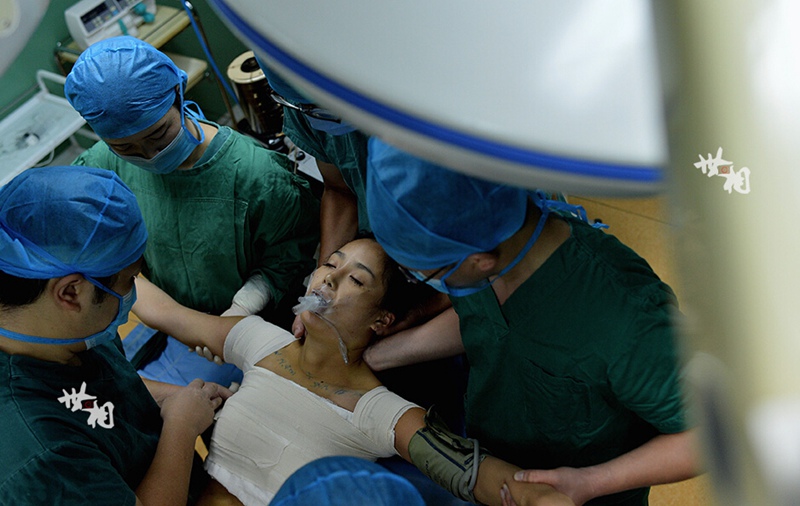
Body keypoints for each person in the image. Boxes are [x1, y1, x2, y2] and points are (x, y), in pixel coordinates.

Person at [364, 138, 700, 506]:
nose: (425, 282)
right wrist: (386, 353)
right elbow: (487, 324)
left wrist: (589, 483)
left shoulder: (628, 318)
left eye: (424, 273)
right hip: (497, 463)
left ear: (479, 260)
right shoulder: (491, 243)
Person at [132, 237, 574, 506]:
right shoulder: (259, 340)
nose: (329, 279)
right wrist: (103, 261)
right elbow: (164, 311)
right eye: (331, 264)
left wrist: (534, 494)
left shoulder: (376, 412)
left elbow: (475, 474)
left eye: (356, 280)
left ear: (382, 320)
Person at [64, 36, 320, 387]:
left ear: (178, 94)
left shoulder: (256, 174)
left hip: (250, 321)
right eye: (126, 147)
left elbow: (288, 255)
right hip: (169, 323)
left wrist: (242, 308)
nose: (150, 155)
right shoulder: (103, 165)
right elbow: (93, 242)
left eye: (160, 134)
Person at [0, 166, 232, 505]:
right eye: (129, 281)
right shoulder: (39, 453)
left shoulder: (68, 331)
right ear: (71, 293)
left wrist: (186, 399)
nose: (132, 296)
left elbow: (105, 391)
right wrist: (181, 429)